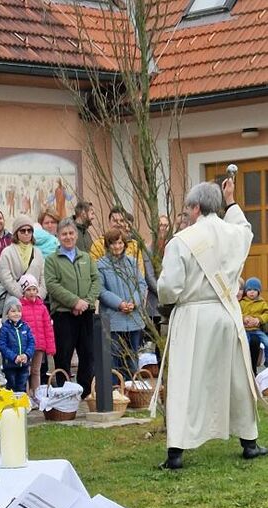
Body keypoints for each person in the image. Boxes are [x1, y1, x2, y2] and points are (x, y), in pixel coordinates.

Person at [157, 177, 267, 469]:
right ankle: (249, 442)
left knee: (186, 380)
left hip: (192, 316)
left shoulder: (181, 241)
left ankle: (176, 453)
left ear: (195, 208)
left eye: (188, 208)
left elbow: (169, 288)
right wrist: (230, 200)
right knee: (236, 378)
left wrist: (168, 297)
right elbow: (245, 229)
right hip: (226, 314)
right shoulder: (233, 233)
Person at [44, 217, 100, 397]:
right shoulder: (52, 260)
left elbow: (96, 280)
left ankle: (85, 392)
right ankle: (65, 393)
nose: (68, 237)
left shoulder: (86, 257)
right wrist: (74, 302)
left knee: (88, 354)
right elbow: (52, 285)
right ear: (58, 236)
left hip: (86, 313)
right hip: (64, 315)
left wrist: (86, 302)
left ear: (76, 235)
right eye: (64, 234)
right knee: (63, 355)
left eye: (71, 233)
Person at [97, 228, 149, 379]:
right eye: (113, 243)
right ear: (107, 245)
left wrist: (134, 302)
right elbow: (101, 290)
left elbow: (141, 284)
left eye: (120, 243)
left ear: (125, 244)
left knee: (132, 360)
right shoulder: (100, 265)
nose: (117, 246)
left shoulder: (132, 262)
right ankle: (116, 389)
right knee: (114, 362)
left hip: (133, 319)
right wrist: (119, 304)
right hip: (114, 320)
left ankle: (131, 388)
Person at [18, 273, 55, 398]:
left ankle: (37, 395)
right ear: (23, 291)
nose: (32, 292)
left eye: (34, 289)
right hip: (26, 347)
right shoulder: (20, 307)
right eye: (29, 290)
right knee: (25, 371)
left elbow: (48, 328)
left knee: (36, 371)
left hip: (39, 345)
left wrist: (50, 347)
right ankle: (26, 396)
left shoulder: (42, 308)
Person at [0, 215, 46, 306]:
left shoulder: (38, 252)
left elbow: (43, 277)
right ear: (16, 232)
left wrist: (39, 296)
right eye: (23, 231)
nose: (26, 233)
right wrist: (22, 296)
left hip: (36, 301)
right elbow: (5, 278)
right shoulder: (7, 252)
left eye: (29, 230)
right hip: (15, 301)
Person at [0, 299, 35, 392]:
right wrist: (14, 357)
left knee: (22, 386)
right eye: (13, 311)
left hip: (24, 364)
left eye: (19, 311)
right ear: (7, 314)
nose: (16, 314)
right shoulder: (5, 329)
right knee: (11, 387)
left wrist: (27, 355)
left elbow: (31, 342)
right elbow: (2, 345)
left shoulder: (25, 327)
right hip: (10, 365)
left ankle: (22, 400)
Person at [240, 277, 268, 370]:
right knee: (246, 346)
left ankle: (267, 362)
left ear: (259, 292)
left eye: (255, 290)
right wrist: (244, 318)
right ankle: (247, 364)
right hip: (245, 330)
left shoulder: (262, 303)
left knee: (267, 342)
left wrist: (259, 319)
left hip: (256, 330)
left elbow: (266, 313)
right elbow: (238, 312)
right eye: (249, 290)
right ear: (246, 291)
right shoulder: (242, 302)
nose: (252, 292)